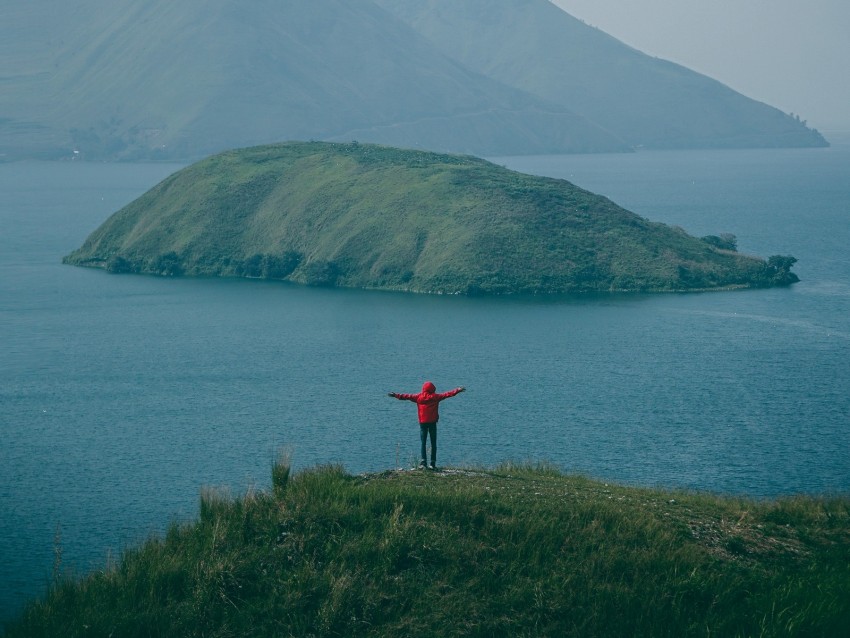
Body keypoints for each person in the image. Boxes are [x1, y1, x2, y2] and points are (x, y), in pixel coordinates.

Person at [388, 381, 465, 469]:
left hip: (423, 423)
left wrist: (395, 395)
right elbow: (448, 394)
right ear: (432, 389)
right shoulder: (436, 397)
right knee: (433, 443)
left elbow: (406, 396)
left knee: (423, 443)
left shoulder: (418, 397)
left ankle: (423, 462)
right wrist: (458, 390)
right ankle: (432, 463)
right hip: (432, 423)